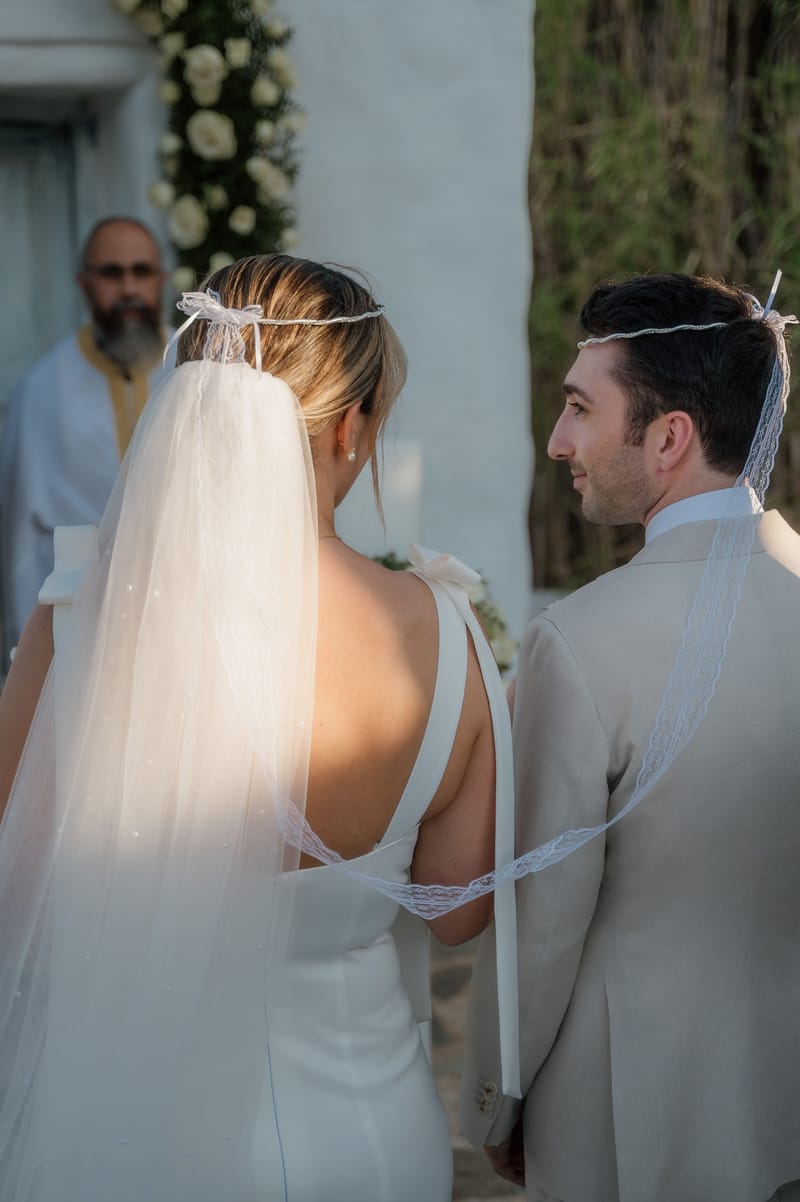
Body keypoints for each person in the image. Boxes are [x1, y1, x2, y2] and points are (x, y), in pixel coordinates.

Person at [0, 254, 511, 1201]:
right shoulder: (442, 631)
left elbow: (23, 888)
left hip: (135, 1138)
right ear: (350, 427)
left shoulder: (76, 617)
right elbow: (457, 911)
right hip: (368, 1136)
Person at [461, 272, 800, 1202]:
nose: (557, 441)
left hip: (629, 1112)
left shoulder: (580, 640)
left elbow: (543, 921)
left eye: (580, 408)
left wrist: (497, 1098)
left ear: (669, 438)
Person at [0, 215, 173, 666]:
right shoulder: (40, 393)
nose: (129, 289)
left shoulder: (192, 372)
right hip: (78, 644)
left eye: (141, 271)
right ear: (84, 283)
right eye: (112, 273)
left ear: (162, 279)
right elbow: (20, 546)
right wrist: (30, 665)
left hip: (180, 627)